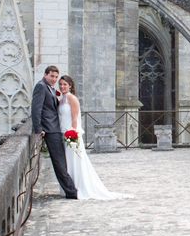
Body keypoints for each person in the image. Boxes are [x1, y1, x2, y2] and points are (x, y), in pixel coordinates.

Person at [58, 75, 126, 200]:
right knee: (69, 162)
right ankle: (69, 187)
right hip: (63, 133)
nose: (62, 86)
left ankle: (79, 187)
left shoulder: (71, 98)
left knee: (76, 162)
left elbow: (74, 118)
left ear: (70, 86)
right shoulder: (62, 99)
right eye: (61, 84)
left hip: (71, 134)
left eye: (65, 84)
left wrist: (72, 134)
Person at [31, 65, 77, 199]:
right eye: (52, 76)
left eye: (56, 77)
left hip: (55, 129)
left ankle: (70, 190)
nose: (54, 79)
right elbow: (36, 109)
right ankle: (71, 192)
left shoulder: (49, 88)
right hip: (50, 130)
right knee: (59, 163)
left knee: (61, 162)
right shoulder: (41, 86)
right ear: (45, 75)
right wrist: (39, 129)